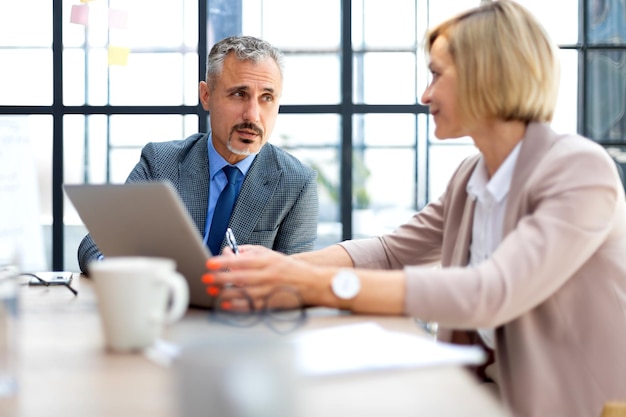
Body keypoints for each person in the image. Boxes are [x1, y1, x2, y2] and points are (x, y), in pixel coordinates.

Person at [202, 2, 626, 417]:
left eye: (437, 75)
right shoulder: (472, 176)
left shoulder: (579, 170)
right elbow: (390, 253)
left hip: (571, 406)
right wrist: (274, 267)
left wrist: (311, 282)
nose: (425, 95)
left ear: (487, 77)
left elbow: (490, 292)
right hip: (479, 392)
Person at [78, 35, 319, 274]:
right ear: (206, 96)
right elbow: (96, 244)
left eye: (267, 98)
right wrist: (134, 274)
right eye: (239, 94)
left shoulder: (296, 183)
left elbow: (294, 281)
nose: (253, 115)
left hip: (240, 310)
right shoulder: (160, 163)